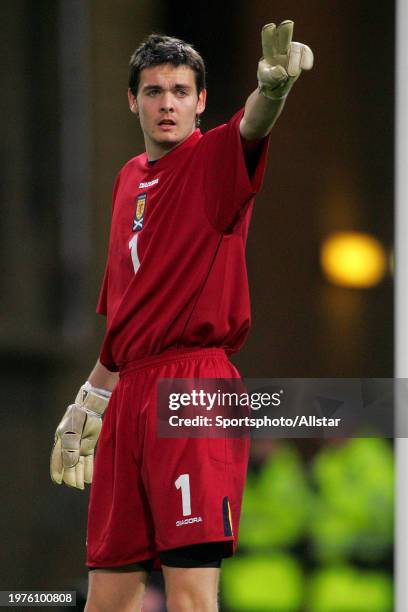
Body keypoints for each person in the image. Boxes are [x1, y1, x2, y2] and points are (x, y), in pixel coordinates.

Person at [50, 20, 313, 612]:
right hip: (130, 393)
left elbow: (250, 127)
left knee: (190, 594)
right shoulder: (126, 181)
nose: (166, 103)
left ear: (200, 102)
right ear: (132, 101)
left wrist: (271, 93)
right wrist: (92, 396)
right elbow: (128, 314)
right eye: (153, 91)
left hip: (193, 387)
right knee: (107, 596)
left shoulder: (211, 159)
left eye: (179, 91)